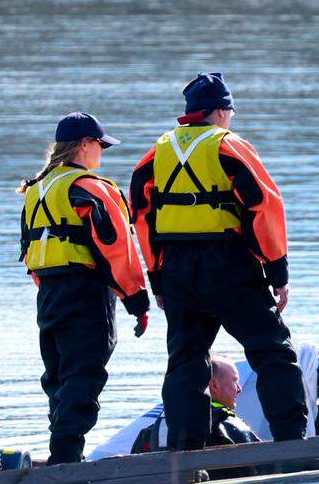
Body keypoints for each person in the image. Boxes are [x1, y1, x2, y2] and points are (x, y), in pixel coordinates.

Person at [130, 72, 308, 450]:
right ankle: (293, 448)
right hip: (229, 264)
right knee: (272, 350)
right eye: (229, 110)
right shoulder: (229, 146)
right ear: (219, 111)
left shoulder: (156, 153)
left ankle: (186, 458)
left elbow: (142, 218)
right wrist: (278, 272)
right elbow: (265, 208)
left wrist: (158, 279)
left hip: (177, 271)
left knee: (186, 363)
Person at [19, 112, 150, 465]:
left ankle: (63, 453)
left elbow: (30, 252)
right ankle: (65, 462)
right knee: (85, 372)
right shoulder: (91, 188)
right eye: (100, 146)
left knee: (59, 376)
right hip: (86, 291)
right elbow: (118, 247)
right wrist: (137, 301)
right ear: (83, 145)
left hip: (48, 293)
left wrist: (50, 288)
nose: (102, 153)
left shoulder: (36, 190)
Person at [132, 354, 263, 453]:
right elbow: (264, 462)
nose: (239, 389)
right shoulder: (228, 425)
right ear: (214, 385)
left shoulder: (152, 430)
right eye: (235, 381)